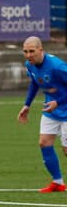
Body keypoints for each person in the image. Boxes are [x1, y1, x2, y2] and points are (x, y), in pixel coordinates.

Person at [17, 36, 67, 193]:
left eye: (32, 51)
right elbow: (34, 83)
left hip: (64, 109)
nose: (28, 55)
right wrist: (27, 105)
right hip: (51, 110)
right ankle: (58, 182)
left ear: (41, 50)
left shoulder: (57, 67)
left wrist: (57, 102)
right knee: (44, 143)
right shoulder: (30, 65)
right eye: (25, 51)